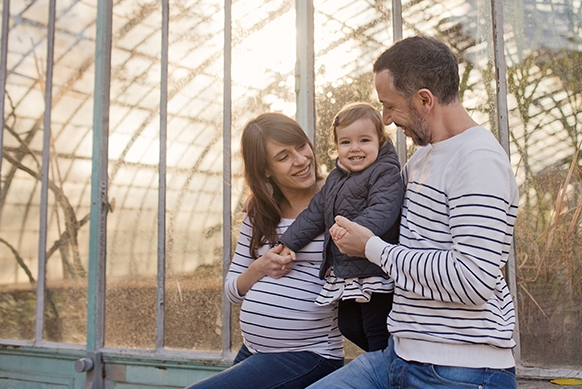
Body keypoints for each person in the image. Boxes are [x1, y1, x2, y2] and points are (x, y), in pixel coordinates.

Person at [309, 36, 520, 389]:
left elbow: (473, 280)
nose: (386, 120)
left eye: (389, 106)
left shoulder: (478, 161)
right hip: (399, 357)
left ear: (424, 99)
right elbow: (364, 196)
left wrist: (371, 248)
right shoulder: (423, 157)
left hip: (459, 370)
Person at [187, 113, 344, 389]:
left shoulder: (338, 197)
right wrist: (260, 267)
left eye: (301, 146)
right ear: (265, 170)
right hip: (254, 351)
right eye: (283, 157)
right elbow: (232, 290)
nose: (301, 159)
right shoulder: (260, 213)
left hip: (310, 354)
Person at [278, 102, 404, 353]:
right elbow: (314, 213)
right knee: (348, 326)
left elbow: (383, 211)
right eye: (346, 142)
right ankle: (387, 361)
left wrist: (351, 231)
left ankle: (386, 368)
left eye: (364, 140)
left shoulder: (385, 172)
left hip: (375, 270)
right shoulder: (335, 178)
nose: (355, 148)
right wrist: (288, 242)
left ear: (380, 141)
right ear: (336, 146)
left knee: (375, 328)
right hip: (347, 271)